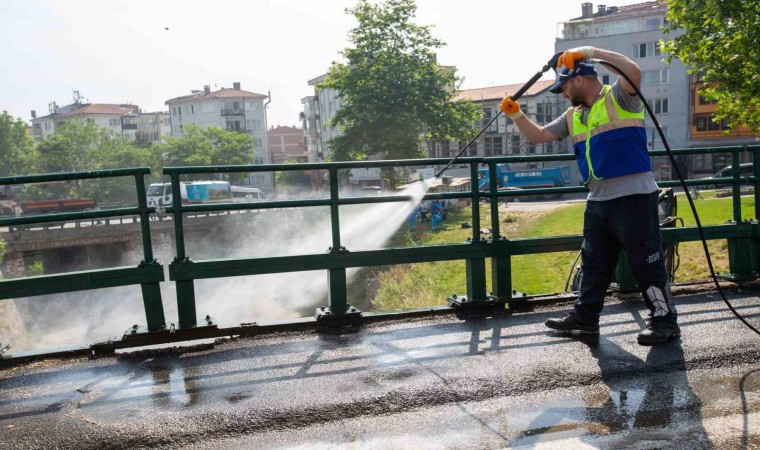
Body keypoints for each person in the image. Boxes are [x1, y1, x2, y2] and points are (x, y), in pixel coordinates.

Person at [499, 46, 679, 345]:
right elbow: (539, 136)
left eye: (565, 87)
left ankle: (665, 321)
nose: (564, 94)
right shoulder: (573, 115)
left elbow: (633, 70)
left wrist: (592, 51)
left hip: (634, 196)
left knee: (645, 263)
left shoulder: (620, 97)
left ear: (579, 80)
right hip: (598, 200)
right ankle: (585, 319)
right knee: (594, 262)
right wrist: (516, 114)